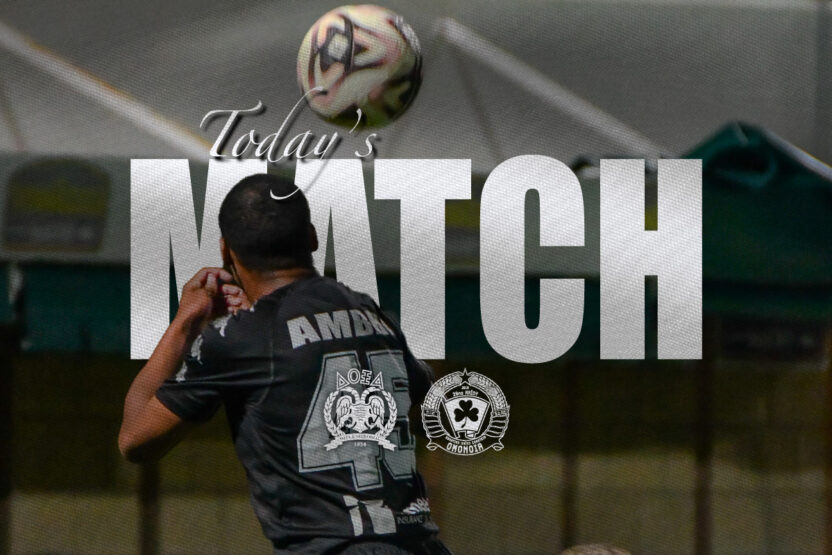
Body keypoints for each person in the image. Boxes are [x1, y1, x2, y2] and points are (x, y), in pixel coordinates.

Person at [119, 173, 448, 554]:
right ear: (312, 237)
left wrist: (186, 322)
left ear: (226, 251)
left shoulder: (238, 339)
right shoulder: (370, 312)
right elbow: (423, 397)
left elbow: (134, 440)